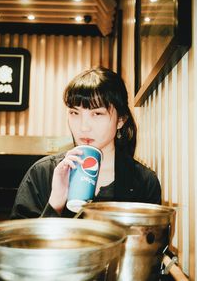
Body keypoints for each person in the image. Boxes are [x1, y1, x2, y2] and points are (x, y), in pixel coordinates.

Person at [10, 66, 161, 219]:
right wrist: (55, 202)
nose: (83, 127)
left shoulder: (144, 181)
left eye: (97, 113)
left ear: (121, 120)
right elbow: (18, 241)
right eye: (75, 113)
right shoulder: (42, 173)